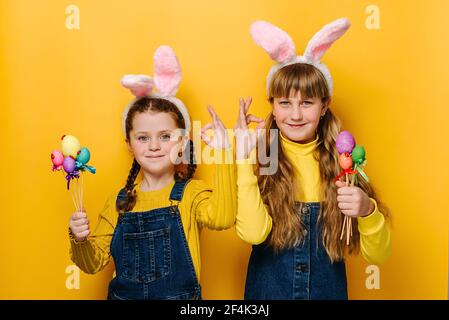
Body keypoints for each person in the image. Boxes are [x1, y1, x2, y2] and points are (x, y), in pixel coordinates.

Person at [234, 18, 391, 300]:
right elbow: (254, 235)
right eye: (285, 103)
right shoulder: (260, 157)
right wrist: (245, 160)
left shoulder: (343, 163)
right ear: (272, 104)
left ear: (324, 106)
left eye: (307, 103)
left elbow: (378, 255)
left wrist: (368, 210)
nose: (295, 115)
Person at [68, 45, 236, 300]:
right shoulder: (119, 203)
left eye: (165, 136)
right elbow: (92, 264)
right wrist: (79, 240)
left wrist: (224, 154)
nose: (154, 146)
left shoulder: (192, 194)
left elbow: (224, 217)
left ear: (182, 142)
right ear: (129, 144)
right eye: (143, 138)